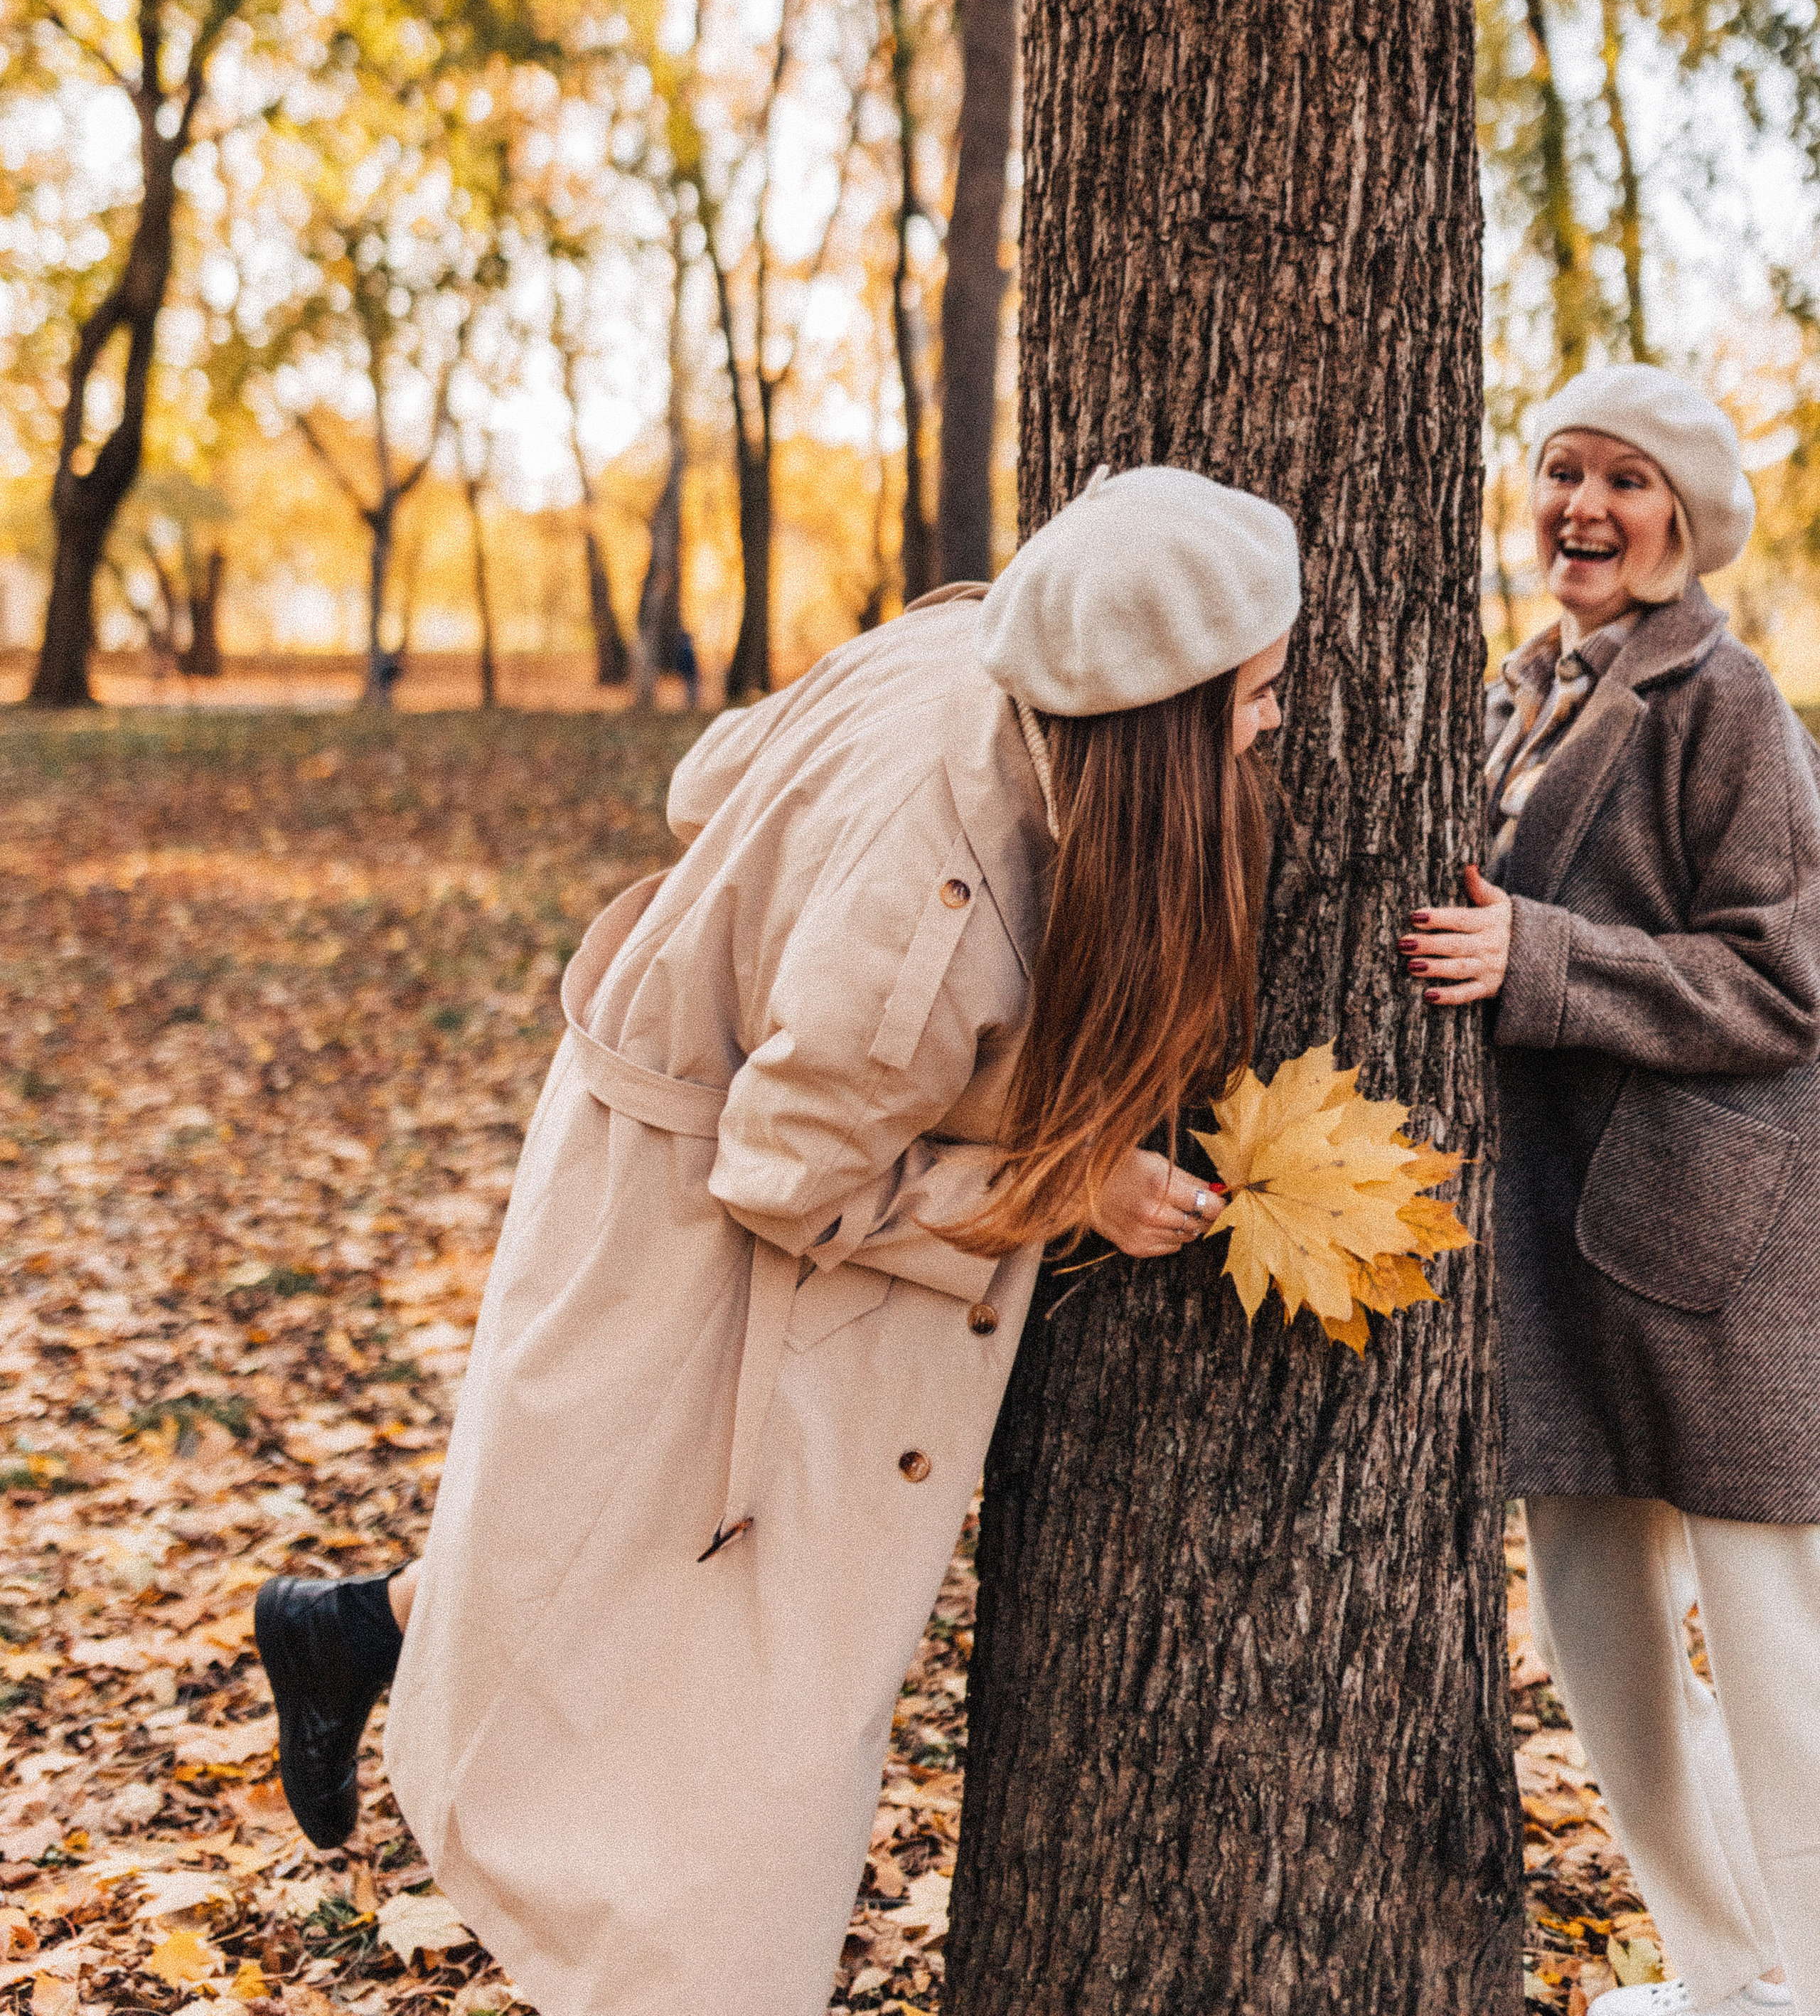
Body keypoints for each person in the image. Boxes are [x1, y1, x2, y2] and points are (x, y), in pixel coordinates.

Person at [255, 463, 1300, 2016]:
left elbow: (707, 778)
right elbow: (786, 1169)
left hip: (660, 1149)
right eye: (1253, 695)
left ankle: (349, 1632)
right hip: (724, 1220)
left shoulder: (968, 646)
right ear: (1150, 718)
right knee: (723, 1705)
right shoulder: (939, 906)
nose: (1273, 721)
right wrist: (1058, 1186)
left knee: (596, 1544)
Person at [1405, 367, 1820, 2016]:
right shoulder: (1524, 693)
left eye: (1622, 481)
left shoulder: (1727, 706)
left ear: (1685, 517)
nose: (1580, 505)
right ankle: (1732, 1981)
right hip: (1560, 1248)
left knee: (1774, 1654)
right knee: (1605, 1656)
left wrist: (1539, 960)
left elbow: (1782, 982)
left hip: (1719, 1252)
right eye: (1560, 470)